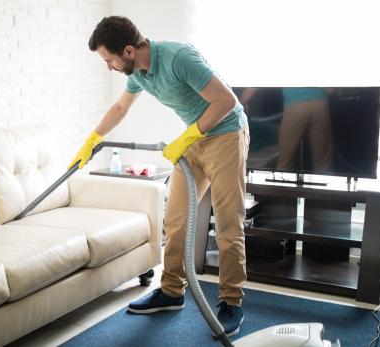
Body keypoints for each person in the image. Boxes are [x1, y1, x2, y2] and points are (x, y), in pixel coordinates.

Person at [68, 16, 250, 337]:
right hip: (194, 138)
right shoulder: (138, 73)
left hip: (226, 134)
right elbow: (121, 108)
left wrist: (186, 137)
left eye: (109, 60)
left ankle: (231, 303)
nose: (109, 67)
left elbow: (226, 101)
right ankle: (171, 291)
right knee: (176, 218)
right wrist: (92, 140)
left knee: (226, 223)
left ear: (127, 50)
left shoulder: (179, 58)